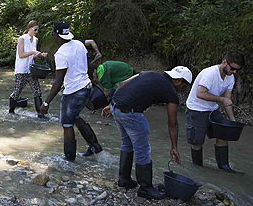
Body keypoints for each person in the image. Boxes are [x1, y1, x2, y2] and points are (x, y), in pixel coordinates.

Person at [102, 66, 193, 199]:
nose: (182, 90)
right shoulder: (171, 92)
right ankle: (145, 188)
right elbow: (173, 123)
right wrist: (174, 147)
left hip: (116, 106)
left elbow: (122, 84)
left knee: (127, 144)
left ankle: (124, 179)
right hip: (131, 113)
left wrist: (111, 106)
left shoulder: (148, 73)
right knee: (143, 150)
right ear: (179, 81)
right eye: (184, 87)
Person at [40, 21, 102, 160]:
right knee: (75, 117)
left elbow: (58, 81)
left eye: (52, 34)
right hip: (86, 88)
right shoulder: (79, 44)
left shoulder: (61, 54)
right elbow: (87, 66)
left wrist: (46, 103)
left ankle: (69, 160)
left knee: (67, 124)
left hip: (73, 92)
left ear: (56, 35)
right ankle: (95, 147)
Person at [185, 51, 245, 172]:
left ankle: (224, 167)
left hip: (212, 110)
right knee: (197, 142)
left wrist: (232, 121)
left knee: (223, 135)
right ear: (224, 62)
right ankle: (198, 169)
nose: (234, 72)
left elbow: (227, 101)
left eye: (237, 70)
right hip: (196, 110)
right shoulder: (210, 73)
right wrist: (221, 99)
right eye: (232, 68)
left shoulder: (230, 77)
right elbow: (200, 93)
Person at [9, 20, 48, 118]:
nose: (36, 31)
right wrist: (33, 52)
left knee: (37, 91)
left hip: (31, 69)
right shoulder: (22, 38)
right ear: (29, 29)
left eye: (37, 30)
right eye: (35, 29)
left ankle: (40, 114)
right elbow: (21, 55)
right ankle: (11, 112)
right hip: (21, 70)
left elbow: (32, 55)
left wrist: (39, 55)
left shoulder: (35, 39)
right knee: (17, 91)